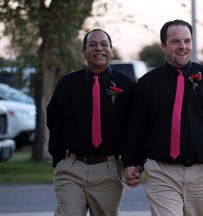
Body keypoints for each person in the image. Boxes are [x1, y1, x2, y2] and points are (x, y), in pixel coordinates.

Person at [122, 19, 203, 216]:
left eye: (187, 41)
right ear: (163, 45)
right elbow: (137, 126)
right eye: (175, 41)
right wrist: (131, 162)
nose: (183, 47)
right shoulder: (147, 83)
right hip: (162, 172)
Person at [47, 29, 136, 216]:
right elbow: (54, 120)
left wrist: (130, 162)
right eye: (93, 44)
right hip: (72, 167)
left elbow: (134, 127)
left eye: (104, 44)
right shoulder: (68, 84)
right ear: (84, 52)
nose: (99, 48)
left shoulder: (127, 85)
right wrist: (59, 159)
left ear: (111, 50)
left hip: (109, 169)